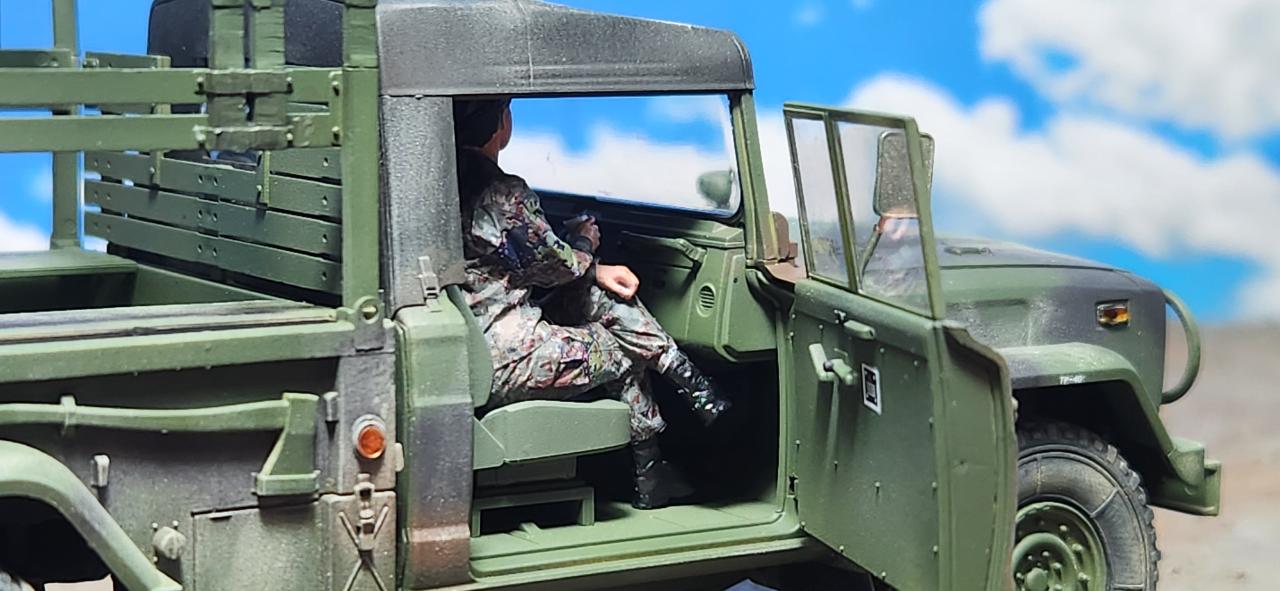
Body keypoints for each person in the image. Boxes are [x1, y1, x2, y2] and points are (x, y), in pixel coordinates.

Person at [453, 98, 731, 509]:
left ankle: (693, 386)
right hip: (506, 358)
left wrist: (594, 270)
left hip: (471, 343)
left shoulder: (443, 182)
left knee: (598, 294)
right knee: (624, 346)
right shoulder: (503, 194)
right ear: (501, 125)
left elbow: (523, 263)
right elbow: (559, 266)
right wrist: (585, 242)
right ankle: (652, 466)